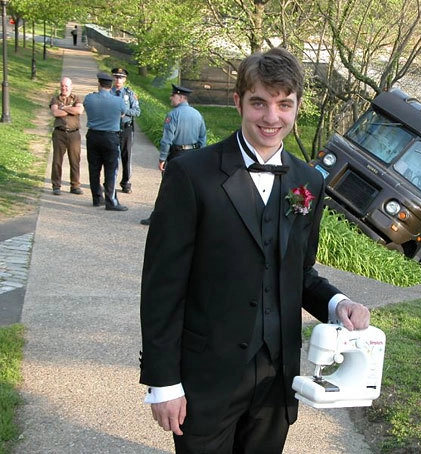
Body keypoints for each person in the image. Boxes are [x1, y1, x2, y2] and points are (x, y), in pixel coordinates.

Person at [139, 47, 371, 453]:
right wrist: (163, 382)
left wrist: (338, 304)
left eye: (284, 105)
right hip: (205, 377)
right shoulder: (190, 175)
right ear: (239, 102)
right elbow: (162, 285)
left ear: (297, 106)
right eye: (259, 102)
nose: (271, 117)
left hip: (275, 381)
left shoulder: (309, 182)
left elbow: (299, 273)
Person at [139, 83, 206, 225]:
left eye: (173, 95)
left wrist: (162, 158)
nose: (171, 98)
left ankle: (157, 217)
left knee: (167, 187)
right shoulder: (197, 114)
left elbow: (167, 140)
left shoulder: (173, 115)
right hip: (193, 155)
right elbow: (202, 138)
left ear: (181, 98)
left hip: (177, 155)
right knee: (189, 188)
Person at [83, 72, 128, 211]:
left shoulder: (89, 98)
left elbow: (86, 107)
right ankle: (111, 201)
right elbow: (123, 113)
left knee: (94, 168)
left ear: (99, 84)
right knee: (111, 170)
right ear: (111, 85)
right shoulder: (118, 101)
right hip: (110, 137)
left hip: (93, 135)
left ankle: (97, 198)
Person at [49, 76, 84, 195]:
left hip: (74, 134)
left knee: (75, 160)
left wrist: (64, 108)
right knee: (57, 160)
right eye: (62, 86)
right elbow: (55, 112)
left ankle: (75, 185)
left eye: (66, 86)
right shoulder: (55, 99)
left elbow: (79, 111)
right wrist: (70, 109)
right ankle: (56, 186)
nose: (64, 88)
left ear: (71, 87)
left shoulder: (76, 98)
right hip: (60, 133)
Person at [111, 67, 141, 193]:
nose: (118, 80)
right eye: (116, 77)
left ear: (125, 79)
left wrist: (125, 112)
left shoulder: (129, 94)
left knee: (126, 156)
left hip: (126, 127)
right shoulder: (109, 93)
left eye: (121, 77)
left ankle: (126, 182)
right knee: (111, 156)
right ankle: (110, 181)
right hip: (112, 128)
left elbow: (137, 111)